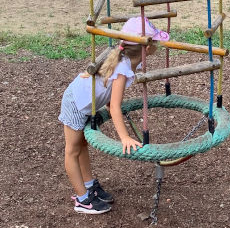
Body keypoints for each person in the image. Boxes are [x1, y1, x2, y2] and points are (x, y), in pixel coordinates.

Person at [59, 16, 169, 214]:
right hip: (76, 103)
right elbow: (116, 107)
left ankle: (89, 185)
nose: (157, 46)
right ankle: (82, 199)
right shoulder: (123, 68)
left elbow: (109, 95)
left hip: (84, 101)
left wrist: (110, 106)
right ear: (146, 48)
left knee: (82, 145)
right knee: (72, 150)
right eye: (155, 42)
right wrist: (124, 137)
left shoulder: (126, 60)